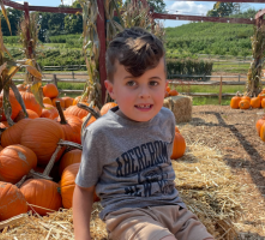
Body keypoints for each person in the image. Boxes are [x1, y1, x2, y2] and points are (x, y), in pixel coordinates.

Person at [73, 27, 214, 240]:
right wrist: (82, 236)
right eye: (131, 83)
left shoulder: (166, 119)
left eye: (153, 83)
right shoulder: (100, 133)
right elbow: (83, 189)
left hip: (174, 210)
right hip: (128, 215)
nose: (144, 94)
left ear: (165, 86)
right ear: (111, 89)